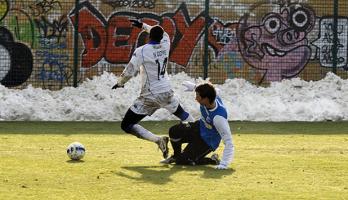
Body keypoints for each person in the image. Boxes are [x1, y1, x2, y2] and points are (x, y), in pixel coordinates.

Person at [112, 19, 193, 159]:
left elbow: (130, 70)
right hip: (167, 91)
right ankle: (198, 137)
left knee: (127, 124)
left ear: (149, 36)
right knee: (184, 115)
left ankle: (158, 140)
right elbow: (165, 33)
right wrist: (144, 26)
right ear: (161, 37)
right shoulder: (165, 45)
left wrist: (120, 82)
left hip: (151, 95)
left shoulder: (142, 51)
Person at [160, 82, 234, 169]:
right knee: (174, 131)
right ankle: (176, 156)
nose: (196, 98)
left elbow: (229, 142)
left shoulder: (218, 118)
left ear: (206, 99)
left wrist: (224, 164)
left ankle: (213, 160)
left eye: (198, 96)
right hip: (199, 127)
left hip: (208, 141)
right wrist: (195, 87)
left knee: (183, 161)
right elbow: (212, 89)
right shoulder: (212, 95)